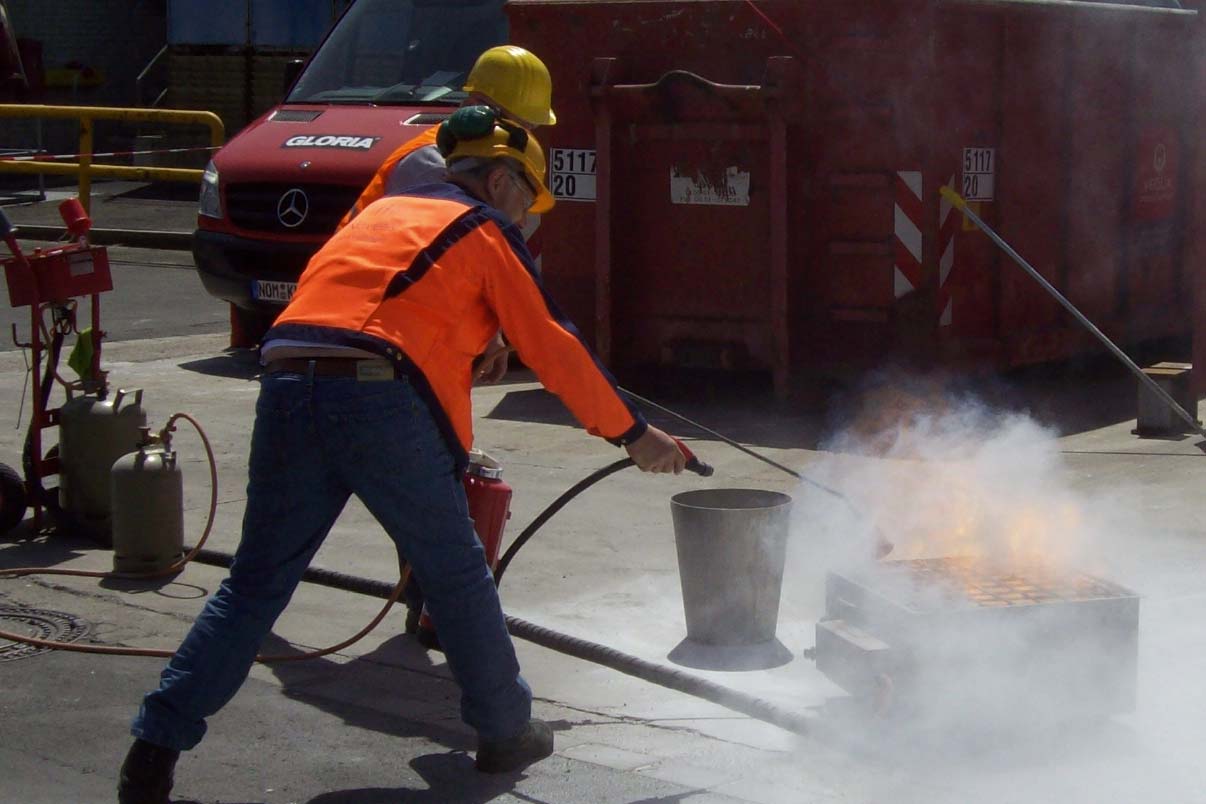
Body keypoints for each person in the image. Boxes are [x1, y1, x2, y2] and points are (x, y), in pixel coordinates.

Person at [116, 106, 687, 804]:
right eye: (527, 202)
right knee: (455, 575)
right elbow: (552, 344)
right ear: (503, 181)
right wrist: (635, 436)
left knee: (255, 584)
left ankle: (155, 746)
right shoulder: (481, 230)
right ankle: (506, 729)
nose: (526, 221)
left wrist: (464, 348)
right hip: (377, 400)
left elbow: (377, 306)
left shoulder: (376, 217)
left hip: (289, 381)